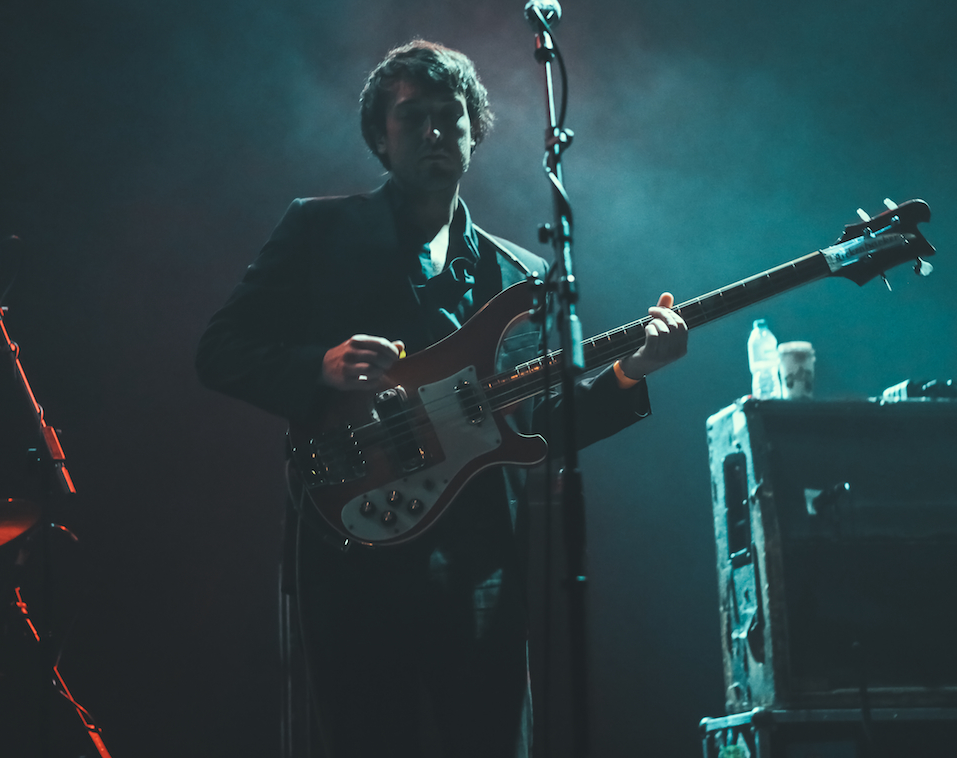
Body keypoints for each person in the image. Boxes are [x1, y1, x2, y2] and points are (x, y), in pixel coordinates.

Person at [196, 40, 687, 758]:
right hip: (348, 545)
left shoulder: (520, 275)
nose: (433, 131)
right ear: (379, 137)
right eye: (412, 116)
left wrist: (632, 371)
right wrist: (319, 366)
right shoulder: (318, 230)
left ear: (473, 132)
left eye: (450, 117)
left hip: (478, 560)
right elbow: (219, 350)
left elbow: (541, 424)